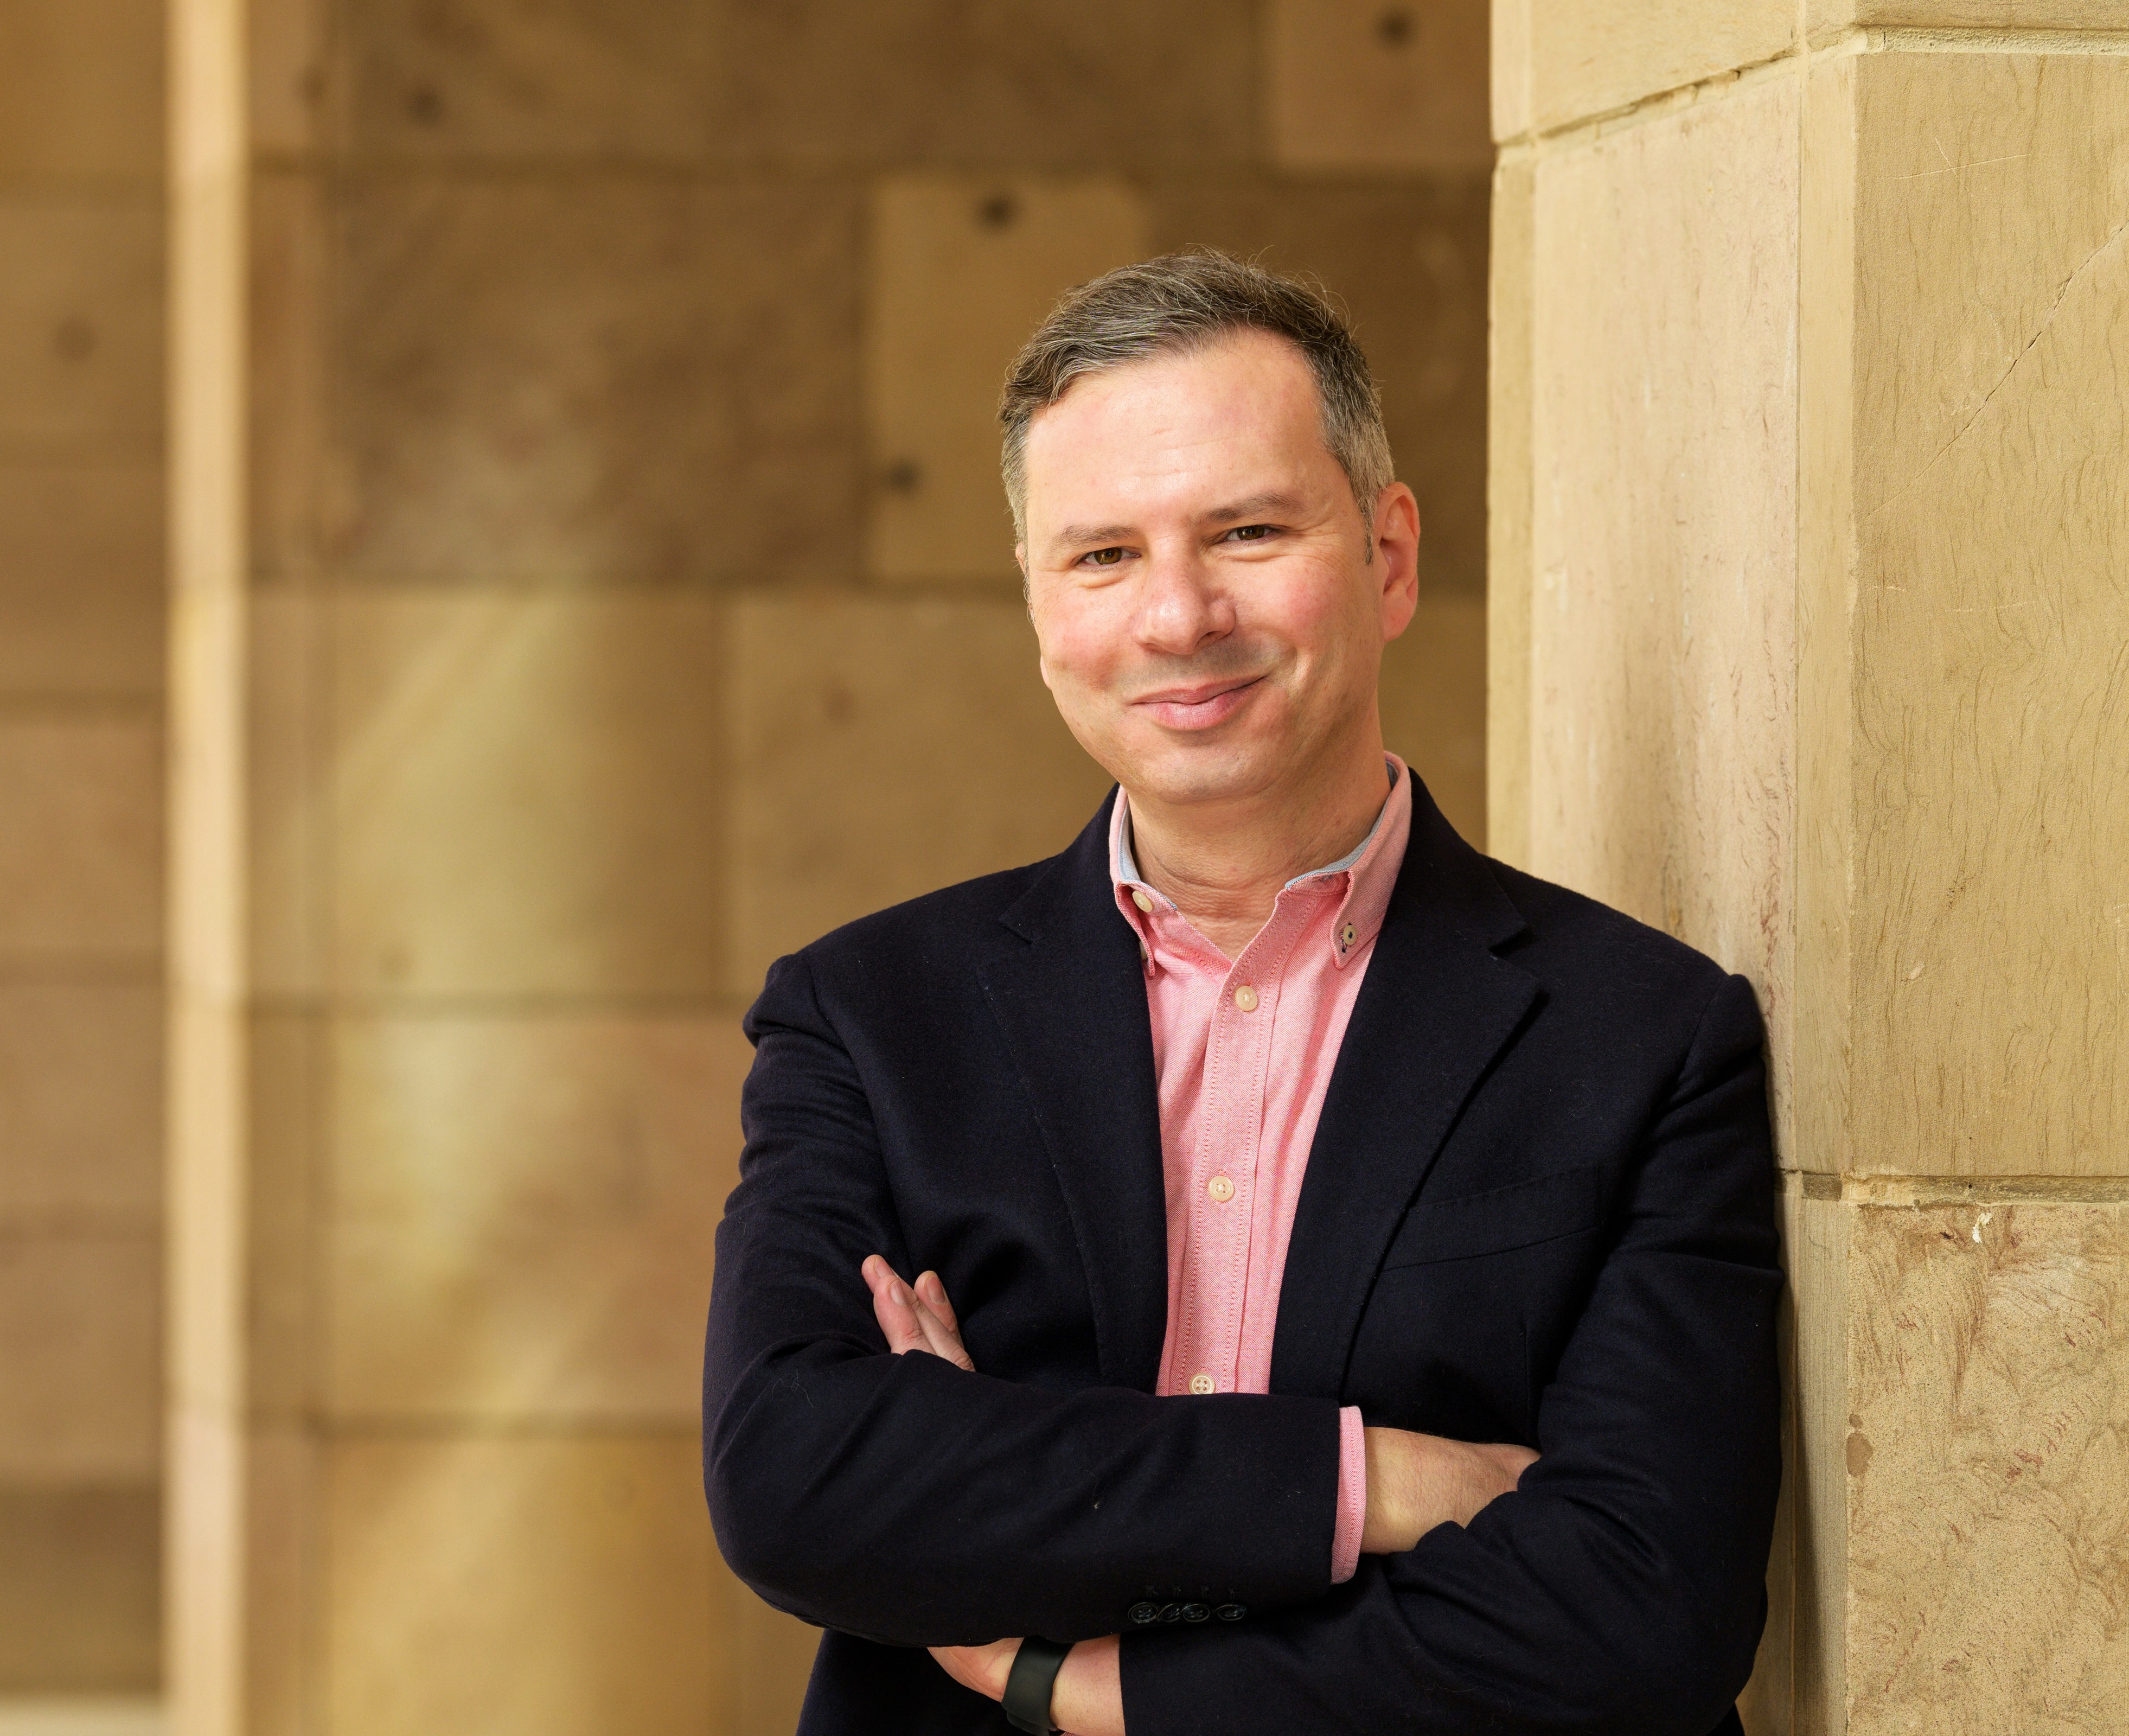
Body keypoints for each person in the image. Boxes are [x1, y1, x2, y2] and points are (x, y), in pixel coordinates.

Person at [701, 251, 1781, 1735]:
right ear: (1038, 609)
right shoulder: (868, 1021)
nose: (1179, 614)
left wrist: (1088, 1677)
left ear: (1389, 557)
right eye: (1103, 557)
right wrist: (1372, 1480)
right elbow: (799, 1485)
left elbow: (1645, 1603)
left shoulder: (1651, 1038)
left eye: (1249, 530)